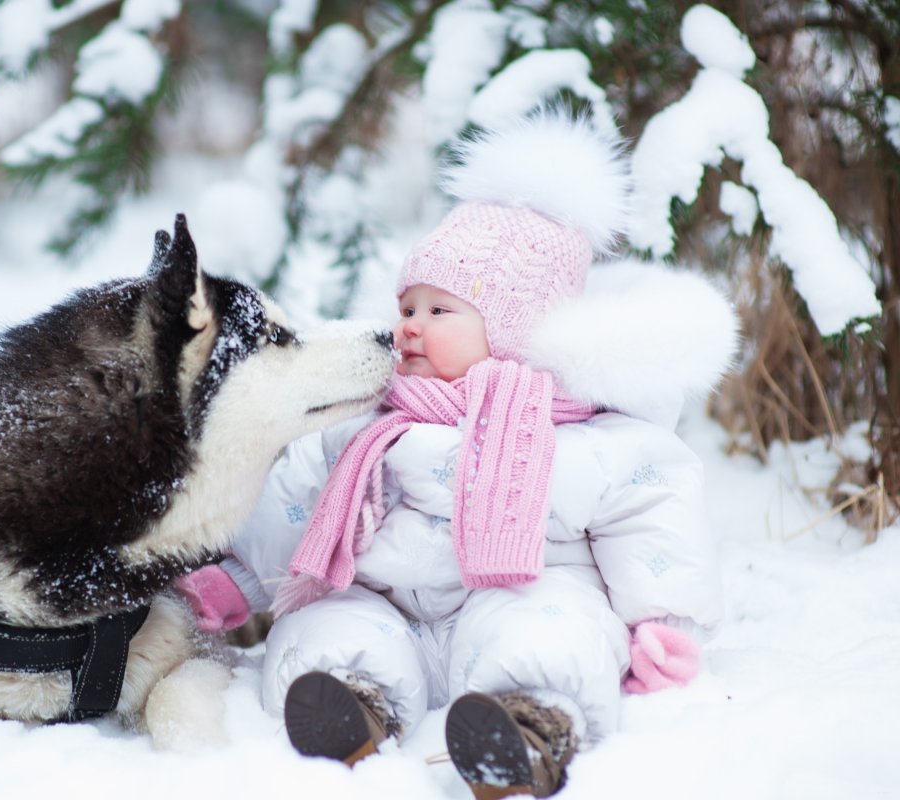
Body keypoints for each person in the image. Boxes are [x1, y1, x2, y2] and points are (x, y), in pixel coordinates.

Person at [175, 109, 737, 798]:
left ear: (514, 334)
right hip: (387, 603)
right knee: (324, 621)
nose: (410, 326)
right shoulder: (368, 421)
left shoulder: (581, 435)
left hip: (522, 592)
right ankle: (349, 707)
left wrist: (662, 621)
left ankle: (524, 725)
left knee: (556, 631)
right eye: (407, 306)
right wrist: (235, 575)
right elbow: (297, 500)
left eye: (440, 312)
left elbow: (654, 511)